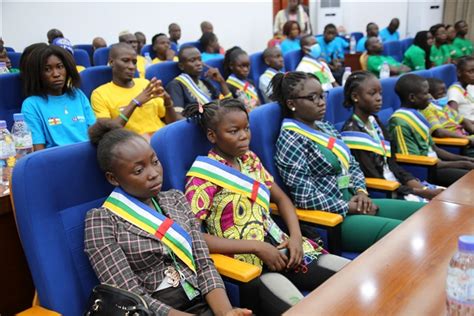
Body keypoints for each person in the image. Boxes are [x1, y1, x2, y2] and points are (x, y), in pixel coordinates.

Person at [183, 99, 350, 314]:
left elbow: (281, 200)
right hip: (250, 263)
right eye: (233, 131)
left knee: (351, 274)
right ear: (212, 136)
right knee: (304, 309)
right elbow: (193, 237)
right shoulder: (202, 177)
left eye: (246, 128)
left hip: (283, 248)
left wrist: (296, 237)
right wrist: (257, 247)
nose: (244, 136)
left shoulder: (250, 159)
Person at [85, 120, 252, 316]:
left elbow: (203, 264)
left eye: (155, 162)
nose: (154, 174)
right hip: (152, 311)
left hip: (203, 301)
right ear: (113, 178)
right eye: (139, 171)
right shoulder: (102, 221)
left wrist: (226, 312)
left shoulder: (176, 199)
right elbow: (130, 297)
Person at [271, 71, 424, 253]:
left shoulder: (325, 127)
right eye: (313, 98)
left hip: (356, 201)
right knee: (408, 233)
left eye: (322, 96)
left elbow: (352, 164)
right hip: (334, 218)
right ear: (292, 104)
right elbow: (305, 197)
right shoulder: (290, 140)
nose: (321, 102)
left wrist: (361, 192)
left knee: (424, 214)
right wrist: (349, 207)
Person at [341, 71, 444, 201]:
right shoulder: (353, 134)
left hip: (400, 185)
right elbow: (373, 177)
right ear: (355, 96)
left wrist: (423, 189)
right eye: (372, 93)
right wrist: (420, 192)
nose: (379, 98)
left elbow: (393, 164)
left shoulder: (375, 122)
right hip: (385, 192)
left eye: (380, 93)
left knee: (447, 196)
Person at [389, 74, 474, 186]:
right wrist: (462, 164)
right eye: (425, 93)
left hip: (437, 165)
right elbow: (412, 161)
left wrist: (465, 159)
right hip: (427, 172)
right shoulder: (400, 122)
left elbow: (434, 149)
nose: (430, 96)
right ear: (412, 98)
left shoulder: (419, 114)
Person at [91, 43, 180, 137]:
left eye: (134, 62)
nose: (132, 66)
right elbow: (107, 134)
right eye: (125, 61)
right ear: (112, 62)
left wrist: (168, 102)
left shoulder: (145, 84)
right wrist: (135, 103)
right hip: (134, 144)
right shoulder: (99, 94)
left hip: (161, 137)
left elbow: (171, 123)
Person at [21, 45, 95, 150]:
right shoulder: (31, 104)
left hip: (88, 155)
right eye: (47, 69)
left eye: (60, 67)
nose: (56, 74)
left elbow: (94, 133)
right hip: (56, 161)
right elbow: (38, 151)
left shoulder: (77, 94)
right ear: (37, 74)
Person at [166, 46, 231, 111]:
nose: (199, 63)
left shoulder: (206, 83)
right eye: (192, 60)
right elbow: (178, 116)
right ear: (181, 66)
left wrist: (221, 82)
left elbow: (230, 105)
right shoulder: (175, 85)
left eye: (200, 59)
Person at [423, 77, 474, 147]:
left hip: (465, 136)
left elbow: (462, 119)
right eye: (440, 94)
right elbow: (439, 132)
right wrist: (466, 138)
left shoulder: (444, 106)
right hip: (457, 142)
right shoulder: (428, 110)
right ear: (429, 95)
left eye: (445, 93)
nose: (444, 96)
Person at [448, 56, 474, 121]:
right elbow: (453, 116)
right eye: (470, 72)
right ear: (459, 73)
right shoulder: (454, 91)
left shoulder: (470, 86)